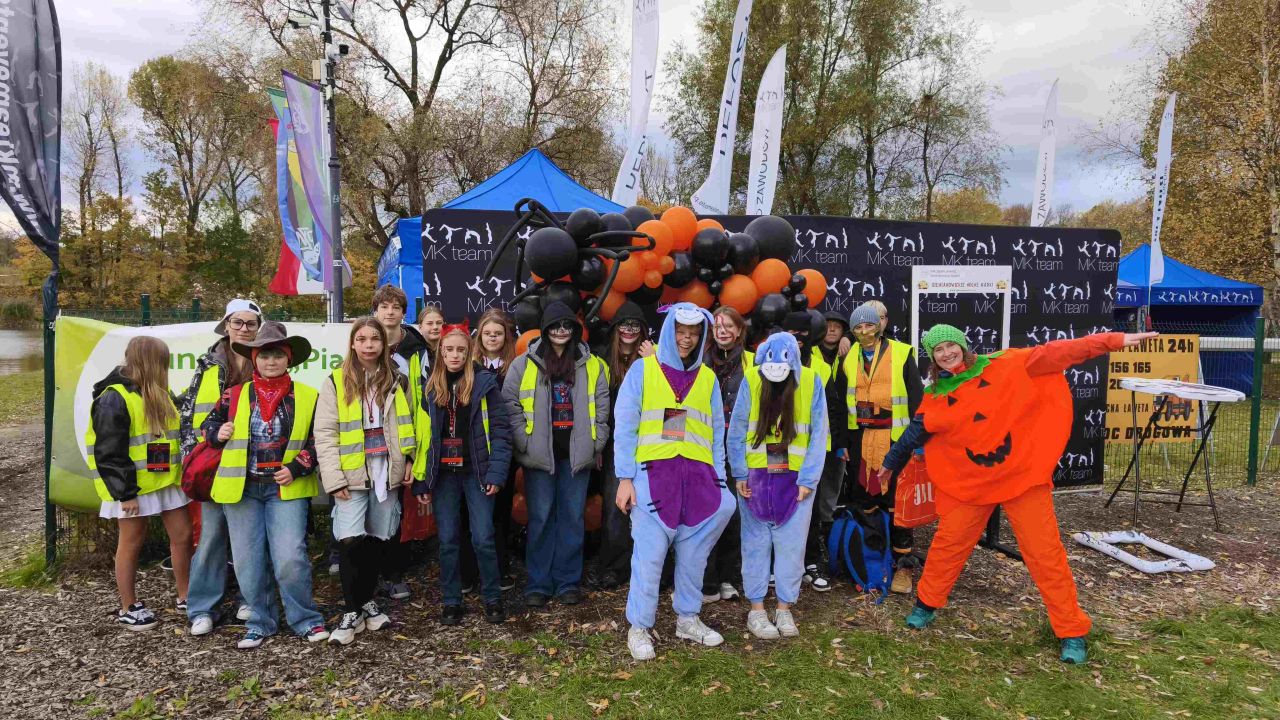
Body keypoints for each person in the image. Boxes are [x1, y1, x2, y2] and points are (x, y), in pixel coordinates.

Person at [881, 325, 1157, 665]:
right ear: (933, 357)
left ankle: (1071, 631)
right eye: (938, 350)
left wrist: (1111, 341)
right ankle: (926, 604)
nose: (946, 353)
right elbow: (916, 431)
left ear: (963, 345)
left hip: (1019, 476)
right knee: (948, 546)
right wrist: (890, 463)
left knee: (1045, 553)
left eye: (951, 345)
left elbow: (1057, 353)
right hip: (970, 483)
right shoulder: (937, 392)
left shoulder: (1006, 364)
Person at [613, 302, 735, 661]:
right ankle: (639, 626)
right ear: (669, 332)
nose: (686, 339)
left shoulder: (708, 378)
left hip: (698, 482)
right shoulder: (642, 371)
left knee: (694, 558)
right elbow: (625, 426)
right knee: (648, 559)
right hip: (653, 479)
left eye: (694, 334)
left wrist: (721, 481)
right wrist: (624, 478)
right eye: (681, 332)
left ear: (702, 338)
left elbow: (716, 435)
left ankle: (688, 617)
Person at [203, 323, 329, 649]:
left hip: (284, 489)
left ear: (288, 359)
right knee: (247, 561)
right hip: (243, 489)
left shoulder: (308, 396)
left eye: (277, 355)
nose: (271, 361)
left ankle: (306, 620)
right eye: (264, 355)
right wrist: (218, 434)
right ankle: (261, 621)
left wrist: (297, 466)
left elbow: (321, 441)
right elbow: (209, 426)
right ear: (255, 359)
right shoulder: (234, 394)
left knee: (290, 558)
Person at [316, 317, 417, 645]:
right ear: (353, 343)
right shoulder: (335, 381)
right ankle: (351, 609)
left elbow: (409, 422)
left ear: (383, 344)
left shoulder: (396, 380)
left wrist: (411, 460)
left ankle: (367, 602)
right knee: (350, 539)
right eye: (362, 339)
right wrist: (333, 479)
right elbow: (326, 433)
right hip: (351, 473)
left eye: (375, 339)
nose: (369, 344)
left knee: (376, 538)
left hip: (386, 472)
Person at [503, 302, 610, 607]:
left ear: (575, 330)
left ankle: (567, 582)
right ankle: (538, 583)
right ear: (545, 329)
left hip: (576, 456)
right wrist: (523, 442)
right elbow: (510, 405)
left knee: (572, 518)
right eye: (555, 326)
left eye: (567, 326)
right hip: (540, 457)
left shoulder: (593, 365)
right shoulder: (524, 365)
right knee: (540, 518)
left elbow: (602, 409)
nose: (561, 331)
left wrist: (595, 441)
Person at [87, 336, 193, 631]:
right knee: (131, 542)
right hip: (132, 487)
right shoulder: (113, 397)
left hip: (165, 482)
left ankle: (185, 595)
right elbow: (109, 451)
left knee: (183, 535)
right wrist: (125, 494)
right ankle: (128, 605)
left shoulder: (159, 392)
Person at [413, 319, 513, 625]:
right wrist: (422, 480)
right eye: (448, 350)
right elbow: (422, 436)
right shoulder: (430, 386)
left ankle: (493, 597)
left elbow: (500, 431)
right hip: (443, 474)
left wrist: (496, 474)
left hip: (476, 471)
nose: (454, 355)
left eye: (460, 349)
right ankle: (451, 599)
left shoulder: (485, 384)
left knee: (483, 536)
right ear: (440, 353)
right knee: (448, 539)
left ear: (470, 352)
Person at [728, 332, 827, 639]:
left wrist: (809, 479)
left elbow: (818, 433)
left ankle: (784, 608)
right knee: (755, 544)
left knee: (791, 547)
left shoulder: (811, 381)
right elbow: (738, 427)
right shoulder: (752, 379)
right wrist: (740, 473)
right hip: (756, 478)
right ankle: (756, 610)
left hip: (796, 481)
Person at [180, 299, 262, 635]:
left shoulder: (266, 361)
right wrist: (193, 454)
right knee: (211, 537)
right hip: (214, 466)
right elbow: (189, 413)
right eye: (238, 322)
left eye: (251, 323)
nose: (244, 328)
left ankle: (250, 599)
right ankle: (202, 608)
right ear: (226, 325)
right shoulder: (209, 364)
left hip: (254, 467)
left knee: (250, 539)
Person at [840, 303, 923, 593]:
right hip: (861, 442)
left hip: (896, 441)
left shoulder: (902, 354)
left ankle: (904, 567)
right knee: (866, 501)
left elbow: (917, 402)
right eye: (858, 328)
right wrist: (842, 443)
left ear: (880, 326)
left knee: (898, 504)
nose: (865, 332)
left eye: (869, 326)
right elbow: (841, 402)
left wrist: (917, 445)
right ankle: (874, 561)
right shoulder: (848, 356)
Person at [372, 285, 430, 600]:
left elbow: (419, 399)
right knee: (365, 506)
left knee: (395, 509)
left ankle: (394, 574)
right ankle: (364, 572)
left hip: (401, 438)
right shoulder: (363, 343)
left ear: (403, 313)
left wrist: (411, 450)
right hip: (366, 440)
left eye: (395, 307)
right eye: (384, 306)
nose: (390, 312)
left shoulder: (416, 350)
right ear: (376, 311)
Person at [781, 311, 846, 593]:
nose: (797, 341)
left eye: (802, 336)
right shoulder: (772, 364)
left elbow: (835, 408)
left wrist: (840, 444)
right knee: (781, 507)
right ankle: (782, 563)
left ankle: (811, 560)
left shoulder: (819, 367)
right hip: (779, 452)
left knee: (812, 509)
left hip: (814, 453)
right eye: (791, 335)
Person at [461, 308, 520, 591]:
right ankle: (469, 571)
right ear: (479, 336)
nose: (493, 337)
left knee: (500, 512)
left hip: (502, 448)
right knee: (469, 513)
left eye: (498, 333)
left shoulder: (516, 365)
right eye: (488, 333)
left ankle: (499, 568)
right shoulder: (468, 364)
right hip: (472, 449)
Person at [595, 301, 652, 589]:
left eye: (635, 325)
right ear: (616, 329)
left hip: (651, 441)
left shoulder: (655, 359)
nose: (629, 330)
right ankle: (614, 567)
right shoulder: (604, 360)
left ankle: (646, 565)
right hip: (615, 443)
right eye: (624, 325)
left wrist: (654, 361)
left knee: (649, 506)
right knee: (616, 507)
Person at [700, 306, 753, 603]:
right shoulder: (700, 361)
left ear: (739, 330)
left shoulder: (752, 362)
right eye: (718, 326)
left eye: (728, 326)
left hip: (738, 448)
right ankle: (706, 580)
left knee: (734, 513)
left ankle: (728, 577)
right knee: (706, 512)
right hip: (705, 446)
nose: (723, 331)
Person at [418, 306, 445, 373]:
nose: (435, 327)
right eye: (430, 323)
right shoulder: (414, 352)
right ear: (420, 327)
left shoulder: (450, 349)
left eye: (439, 323)